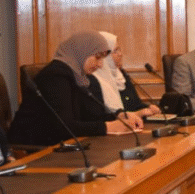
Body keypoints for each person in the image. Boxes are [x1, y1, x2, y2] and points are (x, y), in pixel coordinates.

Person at [8, 31, 141, 146]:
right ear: (82, 51)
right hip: (34, 147)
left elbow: (88, 115)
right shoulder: (55, 75)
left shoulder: (77, 75)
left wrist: (119, 115)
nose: (100, 64)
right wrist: (108, 127)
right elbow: (64, 126)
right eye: (97, 57)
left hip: (60, 145)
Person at [89, 31, 161, 118]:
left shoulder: (121, 75)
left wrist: (148, 108)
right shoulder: (93, 81)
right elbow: (103, 116)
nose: (120, 54)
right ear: (104, 56)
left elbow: (135, 105)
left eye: (119, 49)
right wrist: (137, 114)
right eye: (115, 51)